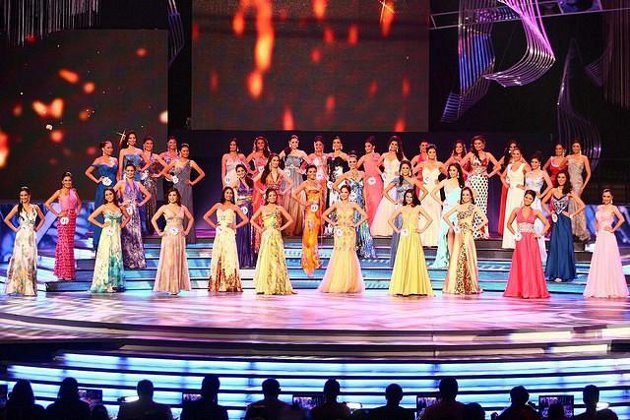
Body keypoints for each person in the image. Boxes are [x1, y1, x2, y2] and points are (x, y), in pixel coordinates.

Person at [319, 185, 367, 293]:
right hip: (339, 232)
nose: (343, 194)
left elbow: (365, 215)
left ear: (349, 193)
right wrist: (333, 223)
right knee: (339, 253)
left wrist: (355, 224)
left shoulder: (353, 204)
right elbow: (324, 215)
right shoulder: (336, 204)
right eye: (342, 192)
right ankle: (337, 282)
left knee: (349, 254)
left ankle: (349, 283)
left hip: (350, 232)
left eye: (345, 192)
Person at [503, 190, 551, 298]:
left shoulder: (536, 212)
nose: (527, 200)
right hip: (520, 240)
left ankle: (532, 290)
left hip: (531, 241)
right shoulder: (516, 210)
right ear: (524, 197)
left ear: (533, 200)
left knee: (531, 265)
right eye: (526, 197)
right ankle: (520, 290)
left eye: (530, 198)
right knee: (521, 264)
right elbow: (508, 224)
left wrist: (539, 234)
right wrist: (515, 234)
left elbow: (547, 224)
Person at [388, 189, 433, 296]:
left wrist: (421, 230)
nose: (408, 199)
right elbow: (390, 220)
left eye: (410, 197)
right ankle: (402, 287)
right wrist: (397, 230)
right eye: (407, 197)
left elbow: (430, 219)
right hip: (404, 237)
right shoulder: (402, 208)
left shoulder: (418, 208)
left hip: (414, 236)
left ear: (414, 198)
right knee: (404, 259)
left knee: (414, 259)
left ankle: (414, 287)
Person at [584, 189, 628, 298]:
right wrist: (597, 230)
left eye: (608, 196)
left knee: (608, 260)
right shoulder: (599, 207)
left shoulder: (613, 208)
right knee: (600, 260)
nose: (606, 198)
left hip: (608, 237)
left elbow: (622, 219)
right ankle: (599, 287)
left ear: (611, 197)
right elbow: (596, 220)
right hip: (600, 237)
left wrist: (613, 229)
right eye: (604, 196)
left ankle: (610, 288)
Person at [203, 187, 249, 292]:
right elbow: (205, 216)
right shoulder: (218, 205)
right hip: (219, 234)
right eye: (227, 193)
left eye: (230, 193)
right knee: (218, 257)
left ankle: (230, 283)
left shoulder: (234, 207)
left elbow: (246, 219)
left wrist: (235, 226)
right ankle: (218, 283)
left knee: (229, 257)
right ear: (223, 194)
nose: (229, 195)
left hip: (229, 234)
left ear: (232, 195)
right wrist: (214, 226)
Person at [442, 187, 486, 295]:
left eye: (467, 195)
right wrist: (453, 226)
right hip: (459, 234)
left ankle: (469, 285)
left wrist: (474, 228)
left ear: (471, 196)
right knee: (457, 256)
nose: (465, 197)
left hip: (468, 235)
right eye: (463, 195)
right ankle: (456, 285)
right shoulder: (458, 206)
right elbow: (445, 216)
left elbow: (485, 220)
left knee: (467, 256)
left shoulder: (474, 207)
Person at [542, 171, 584, 283]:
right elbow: (543, 202)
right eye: (559, 177)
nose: (561, 179)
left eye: (563, 177)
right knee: (555, 246)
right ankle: (555, 273)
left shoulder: (569, 192)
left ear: (566, 179)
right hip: (556, 221)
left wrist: (571, 215)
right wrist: (550, 212)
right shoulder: (552, 190)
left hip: (565, 221)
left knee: (564, 246)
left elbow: (582, 205)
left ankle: (564, 273)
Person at [251, 189, 295, 295]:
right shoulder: (262, 208)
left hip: (275, 235)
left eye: (274, 195)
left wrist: (281, 228)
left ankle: (276, 284)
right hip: (266, 236)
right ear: (267, 197)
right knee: (266, 258)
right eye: (270, 195)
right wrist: (260, 229)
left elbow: (290, 220)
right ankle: (265, 284)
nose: (272, 197)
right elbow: (252, 220)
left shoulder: (279, 208)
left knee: (276, 259)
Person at [333, 154, 377, 258]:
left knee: (362, 225)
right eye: (350, 162)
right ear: (348, 164)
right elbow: (335, 185)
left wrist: (366, 202)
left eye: (354, 162)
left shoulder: (362, 173)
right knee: (352, 224)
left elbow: (364, 189)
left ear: (357, 163)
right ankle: (353, 248)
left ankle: (365, 250)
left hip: (360, 202)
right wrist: (343, 195)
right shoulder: (346, 174)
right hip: (351, 203)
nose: (352, 164)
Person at [151, 189, 194, 295]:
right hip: (168, 236)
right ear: (167, 197)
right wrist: (159, 232)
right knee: (169, 260)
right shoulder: (164, 207)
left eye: (174, 195)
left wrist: (187, 231)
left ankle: (177, 286)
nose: (172, 197)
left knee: (178, 259)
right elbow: (153, 219)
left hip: (179, 236)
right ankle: (169, 285)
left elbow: (191, 219)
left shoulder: (182, 208)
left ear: (177, 196)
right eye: (170, 195)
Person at [3, 187, 45, 296]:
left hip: (31, 237)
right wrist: (15, 229)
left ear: (29, 196)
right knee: (19, 260)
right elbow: (6, 219)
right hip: (21, 237)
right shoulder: (17, 207)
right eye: (21, 195)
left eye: (25, 195)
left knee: (30, 261)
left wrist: (37, 228)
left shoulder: (35, 207)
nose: (23, 197)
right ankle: (16, 287)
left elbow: (43, 219)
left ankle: (29, 288)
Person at [161, 143, 206, 244]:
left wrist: (192, 182)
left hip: (186, 188)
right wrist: (172, 178)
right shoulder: (175, 161)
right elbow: (164, 172)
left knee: (186, 209)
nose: (186, 153)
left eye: (187, 151)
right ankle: (176, 235)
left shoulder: (191, 162)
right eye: (184, 151)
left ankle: (186, 236)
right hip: (176, 188)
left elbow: (202, 174)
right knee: (176, 209)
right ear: (180, 152)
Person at [87, 188, 130, 293]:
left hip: (116, 234)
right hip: (106, 234)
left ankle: (115, 283)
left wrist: (121, 226)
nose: (109, 196)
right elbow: (91, 217)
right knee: (106, 255)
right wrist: (101, 225)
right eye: (106, 195)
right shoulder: (103, 207)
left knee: (115, 255)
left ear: (114, 195)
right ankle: (106, 283)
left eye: (110, 194)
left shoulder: (119, 207)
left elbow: (128, 217)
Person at [459, 135, 500, 239]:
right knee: (474, 203)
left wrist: (489, 175)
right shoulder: (470, 154)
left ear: (483, 144)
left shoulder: (488, 154)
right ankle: (473, 230)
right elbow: (459, 165)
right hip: (473, 181)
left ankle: (482, 231)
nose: (477, 145)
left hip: (483, 182)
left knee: (482, 205)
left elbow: (498, 166)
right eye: (475, 144)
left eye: (479, 143)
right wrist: (468, 173)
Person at [45, 172, 82, 281]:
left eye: (69, 180)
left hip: (72, 220)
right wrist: (57, 214)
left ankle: (69, 273)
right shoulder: (59, 192)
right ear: (62, 182)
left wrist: (77, 212)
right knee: (63, 244)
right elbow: (47, 203)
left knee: (69, 245)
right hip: (63, 220)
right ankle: (62, 272)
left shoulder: (74, 191)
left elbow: (79, 203)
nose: (68, 182)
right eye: (65, 180)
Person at [114, 164, 151, 269]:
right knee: (126, 235)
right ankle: (127, 261)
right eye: (128, 170)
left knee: (136, 235)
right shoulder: (121, 183)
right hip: (125, 212)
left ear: (134, 172)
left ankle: (137, 261)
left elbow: (149, 195)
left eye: (132, 171)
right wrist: (120, 204)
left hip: (135, 212)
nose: (130, 172)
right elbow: (110, 193)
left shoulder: (138, 184)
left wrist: (140, 203)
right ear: (125, 171)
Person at [85, 140, 118, 248]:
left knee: (114, 211)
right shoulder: (98, 160)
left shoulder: (115, 160)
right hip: (102, 189)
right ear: (103, 148)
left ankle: (113, 240)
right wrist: (97, 180)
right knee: (101, 212)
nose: (111, 149)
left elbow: (118, 175)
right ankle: (99, 240)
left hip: (114, 187)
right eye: (108, 147)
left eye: (111, 147)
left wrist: (118, 188)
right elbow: (87, 172)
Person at [430, 163, 464, 269]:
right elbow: (433, 193)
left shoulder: (462, 182)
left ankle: (456, 257)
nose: (452, 172)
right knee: (448, 232)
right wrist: (442, 203)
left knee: (455, 232)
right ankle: (450, 257)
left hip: (458, 210)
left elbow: (470, 194)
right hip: (448, 210)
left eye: (454, 170)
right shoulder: (445, 181)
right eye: (450, 170)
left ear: (458, 171)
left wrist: (462, 202)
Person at [292, 165, 324, 277]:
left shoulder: (318, 183)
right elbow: (293, 194)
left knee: (314, 234)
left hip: (317, 211)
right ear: (307, 173)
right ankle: (308, 261)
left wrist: (321, 212)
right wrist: (304, 203)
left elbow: (321, 199)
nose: (312, 173)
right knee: (309, 234)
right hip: (310, 211)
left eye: (314, 171)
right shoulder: (305, 184)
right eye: (310, 171)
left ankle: (315, 258)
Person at [370, 136, 405, 237]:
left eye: (395, 144)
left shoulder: (400, 155)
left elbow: (407, 165)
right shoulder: (384, 155)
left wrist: (400, 173)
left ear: (398, 146)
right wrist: (382, 174)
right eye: (392, 144)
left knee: (394, 200)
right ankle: (384, 228)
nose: (393, 146)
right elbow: (376, 166)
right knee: (386, 200)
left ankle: (394, 227)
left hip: (395, 181)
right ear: (389, 145)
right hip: (386, 180)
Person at [279, 134, 311, 236]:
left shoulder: (301, 153)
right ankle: (285, 227)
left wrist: (303, 170)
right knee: (286, 200)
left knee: (296, 199)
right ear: (289, 143)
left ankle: (295, 228)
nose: (294, 144)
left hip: (297, 177)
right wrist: (281, 172)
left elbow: (310, 163)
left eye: (296, 142)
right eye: (292, 142)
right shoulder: (285, 152)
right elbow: (275, 160)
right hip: (287, 177)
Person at [525, 153, 553, 262]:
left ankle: (539, 254)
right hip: (527, 200)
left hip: (536, 201)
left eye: (535, 162)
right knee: (527, 225)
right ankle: (528, 252)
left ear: (539, 163)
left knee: (537, 225)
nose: (533, 164)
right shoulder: (528, 173)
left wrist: (541, 195)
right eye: (532, 162)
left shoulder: (542, 173)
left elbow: (550, 186)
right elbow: (526, 187)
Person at [501, 147, 530, 249]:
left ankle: (520, 240)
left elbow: (531, 176)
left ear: (521, 155)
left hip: (520, 193)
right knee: (510, 214)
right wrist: (507, 185)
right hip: (511, 193)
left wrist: (525, 187)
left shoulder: (524, 165)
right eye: (514, 154)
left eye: (518, 154)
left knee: (519, 214)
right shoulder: (509, 166)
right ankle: (510, 242)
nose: (516, 156)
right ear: (512, 155)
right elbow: (502, 176)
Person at [414, 144, 443, 247]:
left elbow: (449, 175)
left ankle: (435, 240)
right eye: (430, 152)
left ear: (436, 153)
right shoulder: (422, 164)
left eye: (433, 152)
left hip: (435, 191)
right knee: (424, 212)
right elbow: (411, 173)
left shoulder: (439, 164)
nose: (432, 154)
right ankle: (423, 239)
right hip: (425, 190)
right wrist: (419, 182)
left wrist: (440, 182)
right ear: (427, 153)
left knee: (435, 212)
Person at [139, 136, 167, 235]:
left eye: (151, 144)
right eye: (147, 143)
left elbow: (167, 166)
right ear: (144, 145)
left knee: (151, 204)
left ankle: (150, 229)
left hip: (151, 183)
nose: (149, 145)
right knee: (141, 204)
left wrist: (159, 174)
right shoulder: (139, 155)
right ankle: (142, 228)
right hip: (140, 183)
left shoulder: (155, 156)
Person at [566, 139, 591, 242]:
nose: (575, 148)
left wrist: (583, 187)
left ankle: (580, 231)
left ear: (580, 147)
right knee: (571, 205)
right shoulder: (568, 157)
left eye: (577, 146)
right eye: (574, 146)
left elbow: (589, 173)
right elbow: (560, 167)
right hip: (570, 182)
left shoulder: (584, 158)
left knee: (577, 204)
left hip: (578, 183)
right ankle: (573, 230)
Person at [233, 164, 256, 268]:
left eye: (242, 171)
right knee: (242, 231)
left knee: (250, 232)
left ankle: (249, 260)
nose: (241, 173)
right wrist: (237, 202)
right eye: (238, 171)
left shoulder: (250, 181)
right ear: (236, 173)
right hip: (242, 209)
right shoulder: (236, 182)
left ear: (245, 171)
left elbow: (255, 194)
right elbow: (228, 192)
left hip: (250, 208)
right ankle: (241, 259)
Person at [357, 136, 382, 226]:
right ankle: (370, 224)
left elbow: (384, 165)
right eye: (365, 146)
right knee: (369, 202)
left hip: (377, 181)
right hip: (368, 182)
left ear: (373, 147)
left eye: (369, 146)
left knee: (377, 201)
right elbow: (355, 167)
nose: (367, 148)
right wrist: (362, 174)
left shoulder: (377, 155)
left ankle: (377, 224)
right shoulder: (363, 157)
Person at [496, 139, 519, 236]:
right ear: (509, 148)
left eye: (514, 147)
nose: (513, 149)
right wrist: (504, 178)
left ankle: (515, 227)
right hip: (507, 184)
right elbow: (495, 168)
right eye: (511, 147)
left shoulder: (519, 158)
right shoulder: (505, 157)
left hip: (516, 185)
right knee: (506, 205)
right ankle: (503, 229)